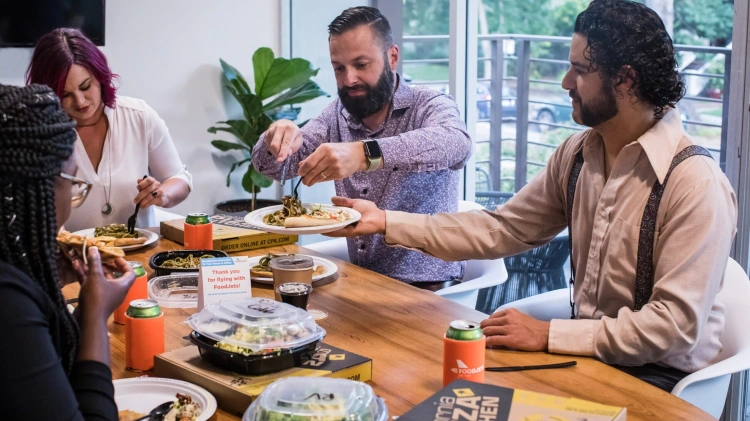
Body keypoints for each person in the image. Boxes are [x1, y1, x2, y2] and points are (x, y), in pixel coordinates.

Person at [327, 0, 737, 392]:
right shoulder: (577, 154)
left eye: (579, 70)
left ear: (624, 79)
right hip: (591, 362)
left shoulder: (695, 184)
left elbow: (673, 328)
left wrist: (548, 333)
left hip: (660, 381)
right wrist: (385, 221)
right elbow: (502, 229)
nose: (565, 83)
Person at [252, 7, 472, 290]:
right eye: (339, 68)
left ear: (392, 57)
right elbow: (272, 167)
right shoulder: (336, 115)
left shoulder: (429, 104)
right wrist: (275, 138)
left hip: (430, 287)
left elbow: (456, 144)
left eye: (361, 64)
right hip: (362, 281)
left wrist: (364, 154)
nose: (349, 80)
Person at [0, 83, 137, 420]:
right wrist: (93, 315)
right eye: (74, 183)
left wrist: (46, 292)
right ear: (39, 188)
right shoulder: (8, 306)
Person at [26, 28, 192, 232]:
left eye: (85, 87)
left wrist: (162, 194)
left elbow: (179, 178)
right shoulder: (39, 133)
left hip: (138, 252)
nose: (80, 101)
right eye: (65, 94)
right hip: (73, 257)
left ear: (100, 77)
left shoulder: (138, 115)